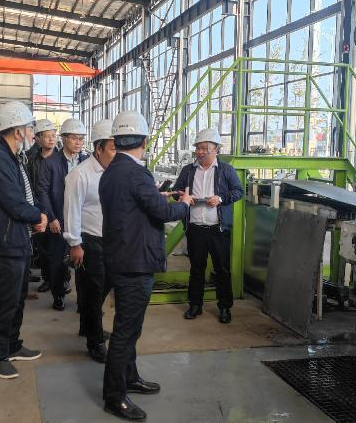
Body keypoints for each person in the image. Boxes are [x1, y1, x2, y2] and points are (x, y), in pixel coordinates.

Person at [99, 111, 193, 421]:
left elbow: (131, 206)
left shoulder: (111, 171)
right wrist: (183, 204)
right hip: (135, 263)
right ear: (144, 140)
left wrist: (155, 194)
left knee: (129, 327)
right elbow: (163, 214)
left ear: (116, 140)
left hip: (120, 257)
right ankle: (114, 397)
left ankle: (129, 377)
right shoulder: (137, 174)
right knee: (126, 331)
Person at [0, 101, 48, 379]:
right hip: (4, 243)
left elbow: (21, 199)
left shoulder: (12, 157)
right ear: (18, 131)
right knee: (5, 302)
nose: (33, 134)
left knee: (17, 299)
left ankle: (12, 345)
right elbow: (13, 202)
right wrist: (38, 216)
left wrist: (35, 217)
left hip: (18, 240)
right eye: (30, 129)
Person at [171, 128, 243, 323]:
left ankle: (224, 307)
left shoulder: (226, 170)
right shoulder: (188, 170)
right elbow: (176, 191)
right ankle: (195, 305)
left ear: (216, 149)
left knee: (222, 269)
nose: (200, 152)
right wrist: (184, 197)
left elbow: (238, 191)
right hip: (195, 228)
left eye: (204, 148)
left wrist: (220, 198)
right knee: (196, 268)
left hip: (218, 229)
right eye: (198, 148)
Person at [63, 119, 116, 363]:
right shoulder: (80, 175)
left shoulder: (114, 172)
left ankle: (88, 326)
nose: (117, 153)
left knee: (103, 287)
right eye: (113, 148)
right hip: (89, 241)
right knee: (93, 291)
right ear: (98, 148)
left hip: (110, 240)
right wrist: (75, 244)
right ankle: (95, 342)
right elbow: (71, 211)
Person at [36, 117, 89, 311]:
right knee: (57, 262)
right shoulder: (50, 163)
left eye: (81, 139)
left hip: (82, 220)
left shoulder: (86, 162)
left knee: (84, 263)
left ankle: (84, 301)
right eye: (74, 138)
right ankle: (58, 295)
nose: (78, 142)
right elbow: (42, 191)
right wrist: (51, 218)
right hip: (58, 219)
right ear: (64, 138)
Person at [27, 119, 58, 292]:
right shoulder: (32, 160)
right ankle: (47, 279)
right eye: (47, 136)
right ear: (38, 138)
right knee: (44, 247)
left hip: (57, 210)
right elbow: (31, 187)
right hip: (39, 210)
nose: (51, 139)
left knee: (59, 250)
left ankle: (62, 281)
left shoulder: (60, 159)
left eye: (53, 135)